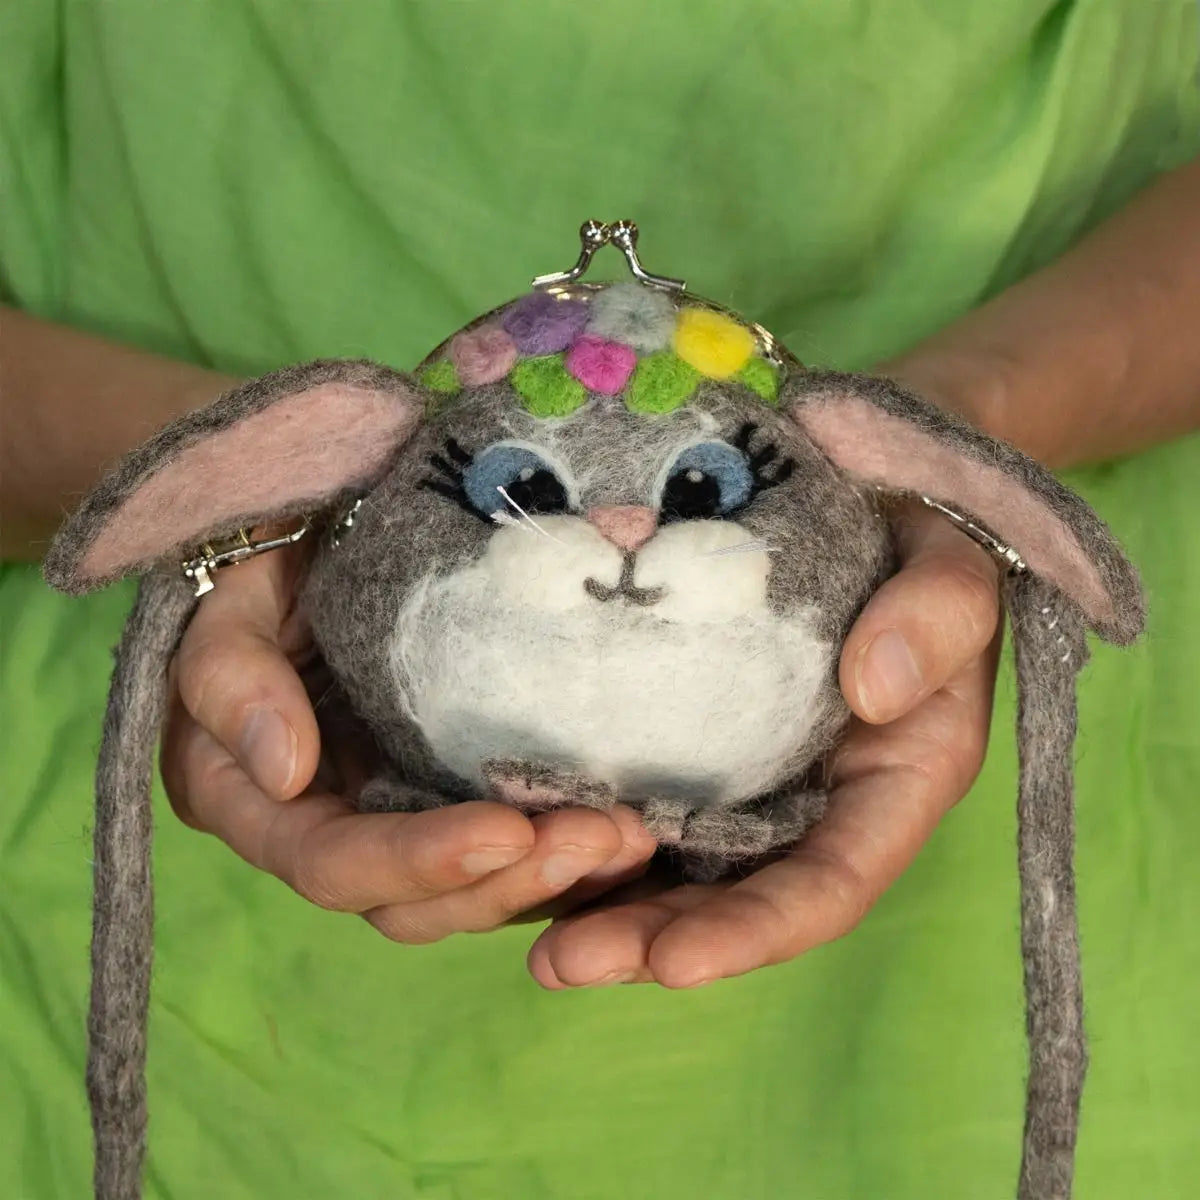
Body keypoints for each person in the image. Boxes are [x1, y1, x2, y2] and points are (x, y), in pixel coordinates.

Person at [2, 4, 1198, 1197]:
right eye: (524, 492)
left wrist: (967, 438)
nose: (625, 529)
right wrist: (245, 515)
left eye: (702, 492)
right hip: (146, 979)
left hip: (960, 991)